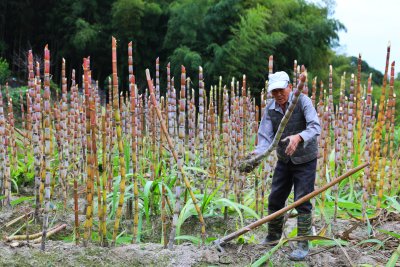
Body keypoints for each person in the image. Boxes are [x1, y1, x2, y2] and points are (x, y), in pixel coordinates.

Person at [252, 71, 321, 261]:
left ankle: (302, 243)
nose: (278, 94)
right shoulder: (271, 108)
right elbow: (265, 135)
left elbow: (315, 127)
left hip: (305, 160)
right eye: (274, 92)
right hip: (284, 159)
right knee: (275, 198)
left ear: (290, 87)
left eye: (281, 90)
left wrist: (299, 137)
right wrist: (258, 153)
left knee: (302, 201)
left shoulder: (303, 101)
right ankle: (273, 236)